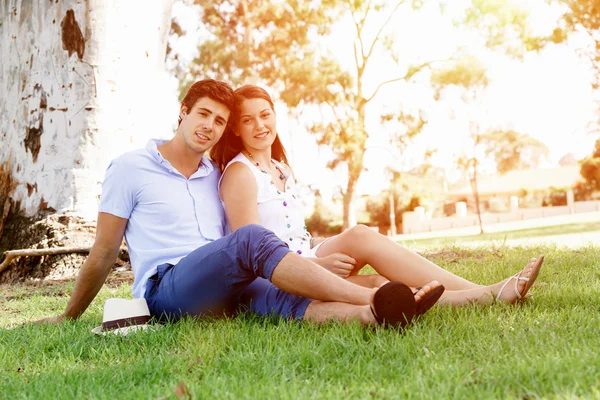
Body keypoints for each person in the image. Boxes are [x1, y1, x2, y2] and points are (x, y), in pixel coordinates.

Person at [35, 79, 438, 329]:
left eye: (219, 121)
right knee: (251, 239)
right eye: (203, 114)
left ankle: (376, 315)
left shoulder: (216, 173)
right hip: (168, 289)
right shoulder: (130, 168)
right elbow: (105, 251)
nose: (209, 126)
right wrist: (69, 315)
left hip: (227, 282)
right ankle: (369, 299)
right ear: (183, 113)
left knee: (288, 296)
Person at [211, 84, 544, 310]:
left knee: (363, 240)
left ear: (274, 115)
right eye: (247, 119)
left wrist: (317, 258)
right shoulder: (240, 174)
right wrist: (314, 266)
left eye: (265, 114)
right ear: (236, 129)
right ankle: (486, 295)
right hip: (278, 275)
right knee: (377, 282)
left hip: (306, 255)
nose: (260, 125)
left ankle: (481, 292)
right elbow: (251, 255)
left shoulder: (282, 168)